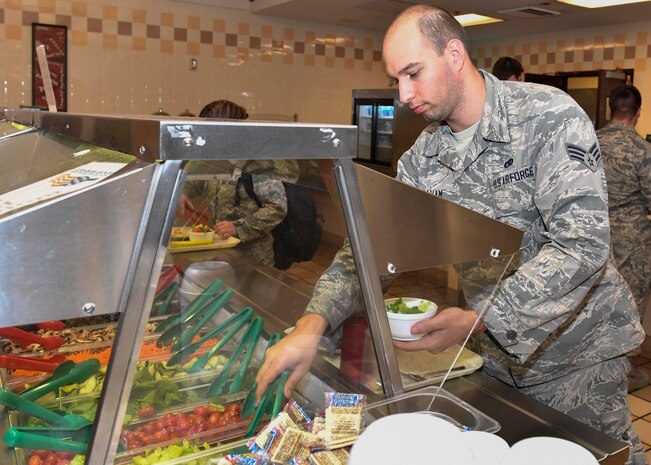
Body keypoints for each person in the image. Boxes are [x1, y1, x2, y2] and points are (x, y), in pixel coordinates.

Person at [255, 5, 647, 464]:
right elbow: (371, 249)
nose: (403, 94)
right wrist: (312, 324)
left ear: (455, 54)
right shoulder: (422, 158)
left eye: (413, 73)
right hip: (497, 360)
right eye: (396, 79)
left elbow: (582, 246)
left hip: (580, 355)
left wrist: (479, 316)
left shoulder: (547, 117)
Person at [178, 100, 299, 267]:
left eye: (213, 130)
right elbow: (197, 179)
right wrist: (184, 192)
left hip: (254, 258)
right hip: (224, 251)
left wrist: (238, 228)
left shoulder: (256, 162)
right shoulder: (216, 157)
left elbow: (276, 208)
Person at [597, 84, 651, 391]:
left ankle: (594, 368)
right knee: (629, 306)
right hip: (632, 244)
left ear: (610, 110)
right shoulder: (643, 151)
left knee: (598, 302)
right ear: (639, 113)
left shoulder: (589, 141)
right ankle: (623, 374)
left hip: (595, 237)